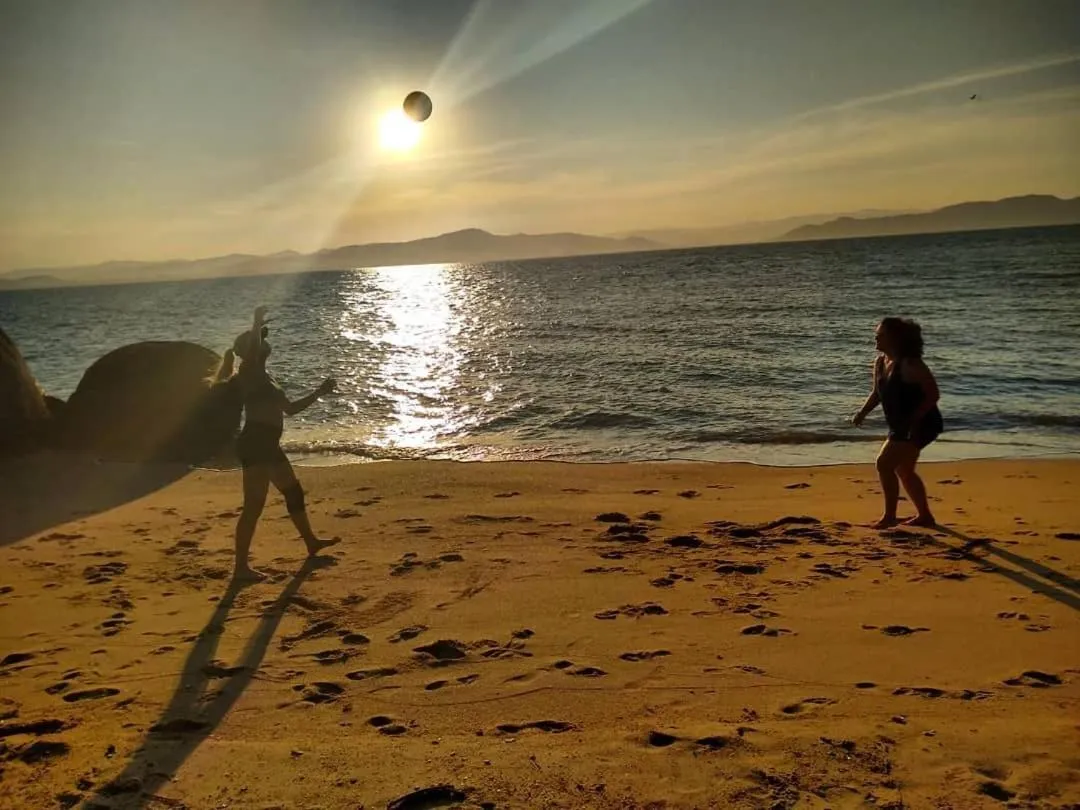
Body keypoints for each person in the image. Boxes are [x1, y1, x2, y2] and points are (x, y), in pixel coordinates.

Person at [213, 306, 339, 581]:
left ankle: (311, 543)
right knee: (253, 506)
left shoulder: (267, 378)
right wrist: (256, 321)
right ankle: (240, 569)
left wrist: (318, 392)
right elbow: (255, 350)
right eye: (260, 338)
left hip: (267, 444)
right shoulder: (249, 372)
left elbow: (290, 409)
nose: (265, 341)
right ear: (250, 351)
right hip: (256, 443)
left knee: (294, 493)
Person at [852, 317, 943, 529]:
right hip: (900, 425)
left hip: (921, 424)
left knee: (884, 464)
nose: (876, 337)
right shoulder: (881, 362)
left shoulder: (911, 364)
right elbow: (877, 393)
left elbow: (933, 395)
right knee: (904, 470)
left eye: (881, 334)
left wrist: (912, 421)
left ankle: (889, 517)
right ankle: (925, 516)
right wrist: (862, 413)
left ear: (895, 338)